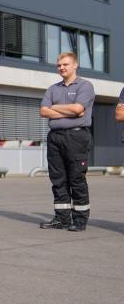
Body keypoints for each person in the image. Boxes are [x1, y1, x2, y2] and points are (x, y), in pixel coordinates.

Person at [39, 52, 95, 231]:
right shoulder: (53, 88)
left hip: (76, 137)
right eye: (59, 65)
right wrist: (68, 110)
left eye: (65, 64)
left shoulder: (85, 86)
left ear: (75, 65)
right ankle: (61, 218)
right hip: (55, 137)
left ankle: (79, 220)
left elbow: (79, 109)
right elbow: (43, 111)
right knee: (58, 179)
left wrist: (54, 107)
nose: (62, 68)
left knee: (76, 178)